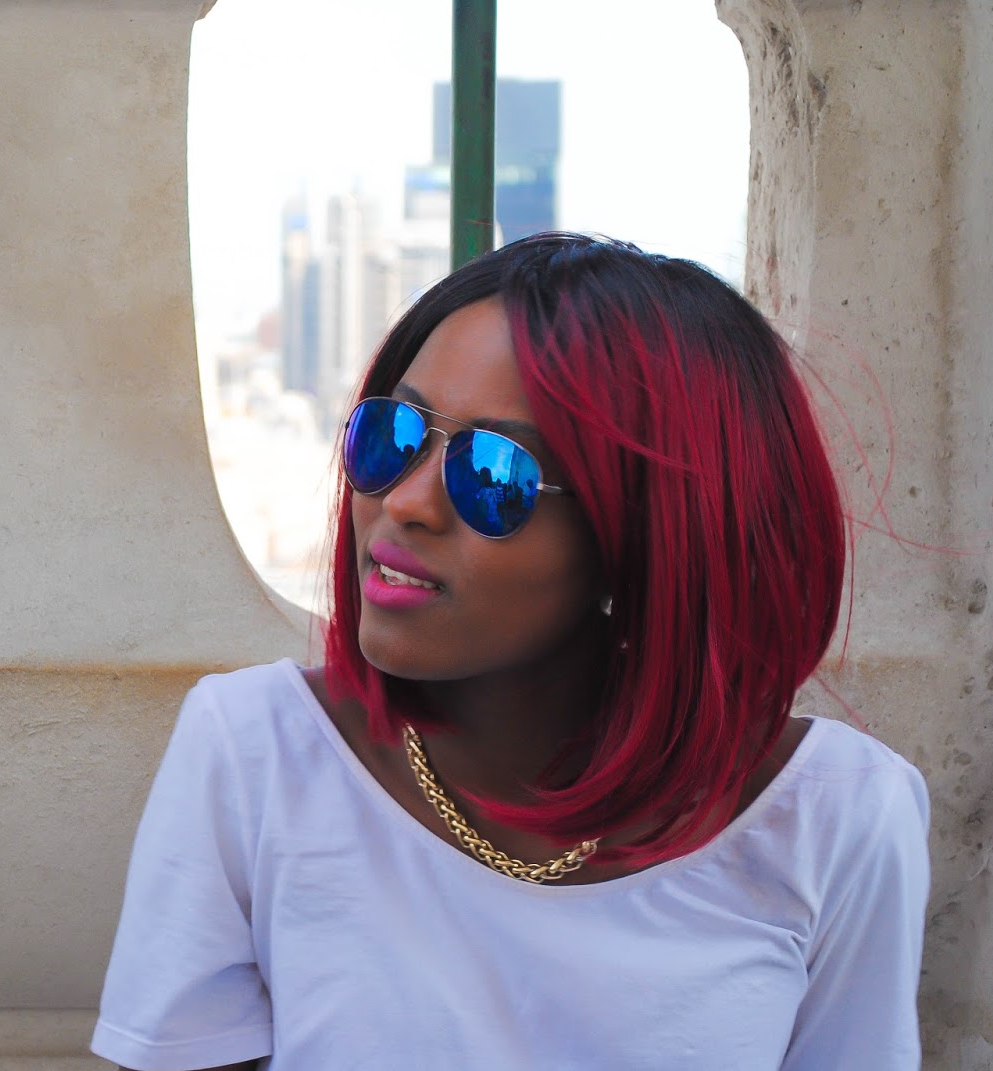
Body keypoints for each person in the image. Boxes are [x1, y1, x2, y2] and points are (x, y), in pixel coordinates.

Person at [91, 233, 931, 1070]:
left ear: (646, 540)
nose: (405, 501)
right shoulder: (255, 753)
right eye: (393, 434)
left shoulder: (837, 818)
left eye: (494, 472)